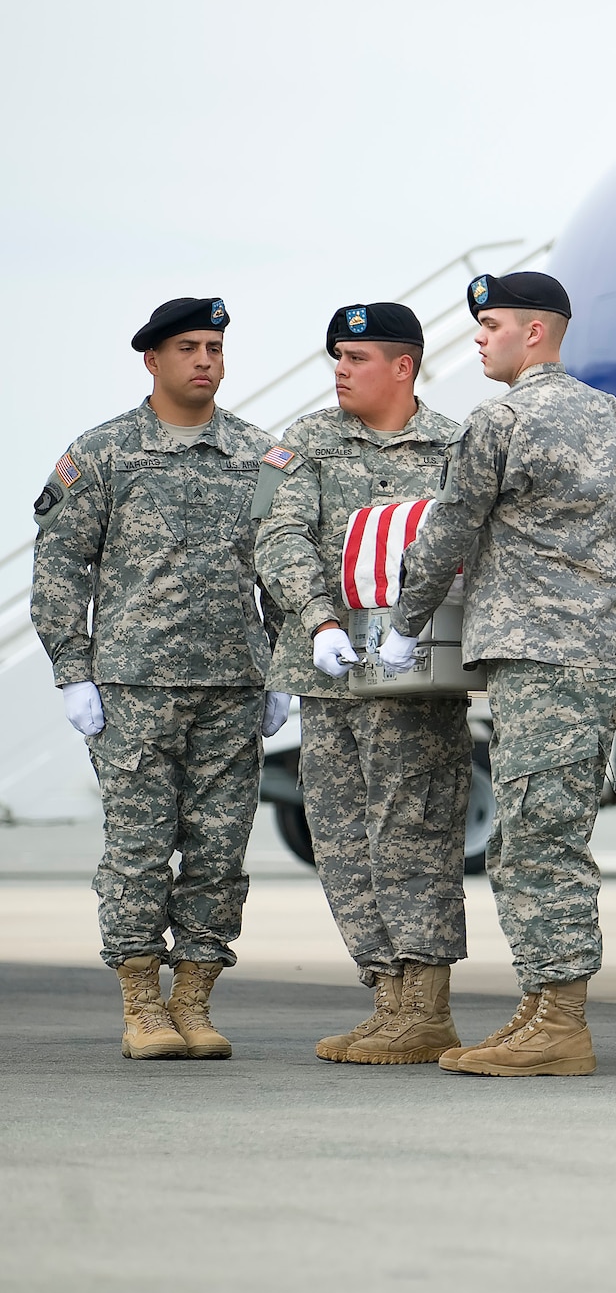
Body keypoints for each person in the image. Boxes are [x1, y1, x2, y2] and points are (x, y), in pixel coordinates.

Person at [380, 271, 616, 1076]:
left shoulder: (501, 418)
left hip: (538, 660)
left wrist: (406, 625)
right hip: (587, 653)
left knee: (537, 839)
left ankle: (560, 1023)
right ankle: (543, 1007)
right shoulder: (615, 419)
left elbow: (447, 532)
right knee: (537, 830)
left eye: (494, 325)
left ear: (536, 334)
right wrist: (598, 604)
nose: (480, 337)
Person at [31, 296, 291, 1060]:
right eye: (188, 347)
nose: (204, 359)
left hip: (232, 687)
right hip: (133, 689)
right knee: (140, 849)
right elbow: (58, 564)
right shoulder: (106, 452)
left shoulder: (259, 455)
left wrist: (284, 665)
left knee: (218, 850)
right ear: (152, 359)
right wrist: (71, 669)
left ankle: (196, 999)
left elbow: (282, 565)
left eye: (214, 346)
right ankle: (142, 1004)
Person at [254, 302, 474, 1064]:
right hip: (330, 674)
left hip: (416, 678)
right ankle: (388, 1000)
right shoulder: (306, 443)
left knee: (413, 831)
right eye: (335, 359)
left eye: (355, 357)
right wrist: (319, 621)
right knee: (344, 839)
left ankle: (428, 1005)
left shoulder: (456, 445)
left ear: (403, 365)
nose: (340, 371)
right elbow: (279, 535)